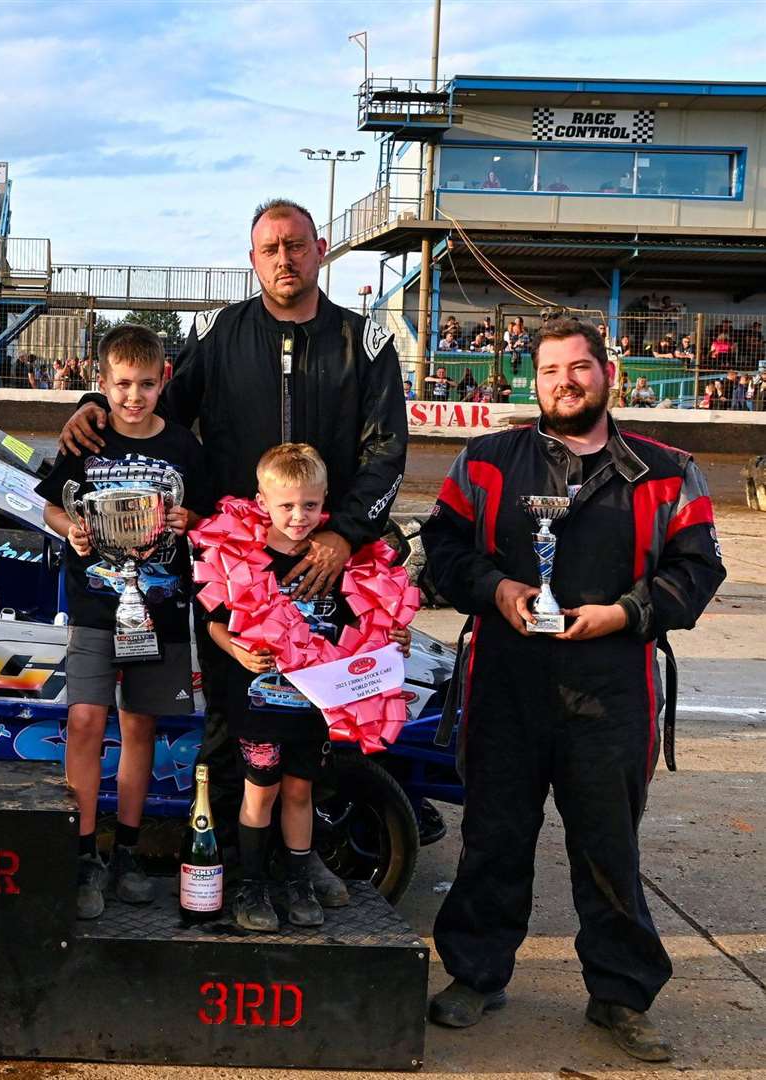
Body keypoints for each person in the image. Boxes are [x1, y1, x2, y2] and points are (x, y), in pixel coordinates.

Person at [419, 317, 724, 1061]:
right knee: (493, 835)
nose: (565, 381)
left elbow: (698, 568)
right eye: (551, 369)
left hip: (611, 684)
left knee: (606, 845)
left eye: (579, 367)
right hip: (505, 681)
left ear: (606, 375)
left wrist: (625, 612)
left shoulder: (669, 469)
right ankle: (477, 972)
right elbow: (443, 552)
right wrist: (497, 589)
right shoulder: (486, 462)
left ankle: (619, 994)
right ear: (535, 381)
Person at [59, 198, 407, 848]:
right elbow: (152, 408)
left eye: (296, 245)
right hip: (236, 572)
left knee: (314, 724)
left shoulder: (363, 341)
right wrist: (89, 403)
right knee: (232, 721)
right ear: (253, 259)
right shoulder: (223, 335)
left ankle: (303, 863)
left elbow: (388, 451)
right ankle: (224, 871)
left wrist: (344, 534)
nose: (285, 258)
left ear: (320, 249)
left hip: (322, 565)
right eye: (270, 248)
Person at [37, 325, 209, 919]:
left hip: (159, 609)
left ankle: (128, 851)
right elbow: (51, 503)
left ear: (163, 381)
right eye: (121, 385)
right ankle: (83, 852)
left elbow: (208, 516)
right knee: (85, 720)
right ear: (101, 383)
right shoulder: (87, 438)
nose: (133, 397)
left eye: (143, 384)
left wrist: (190, 521)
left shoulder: (186, 446)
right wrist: (71, 528)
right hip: (93, 606)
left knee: (139, 727)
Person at [204, 444, 411, 932]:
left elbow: (367, 622)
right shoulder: (242, 558)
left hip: (314, 708)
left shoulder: (337, 561)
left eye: (311, 506)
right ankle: (251, 884)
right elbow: (214, 621)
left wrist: (392, 634)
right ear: (262, 501)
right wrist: (236, 652)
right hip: (258, 705)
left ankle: (298, 879)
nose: (299, 517)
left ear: (325, 502)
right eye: (287, 506)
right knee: (260, 792)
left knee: (300, 792)